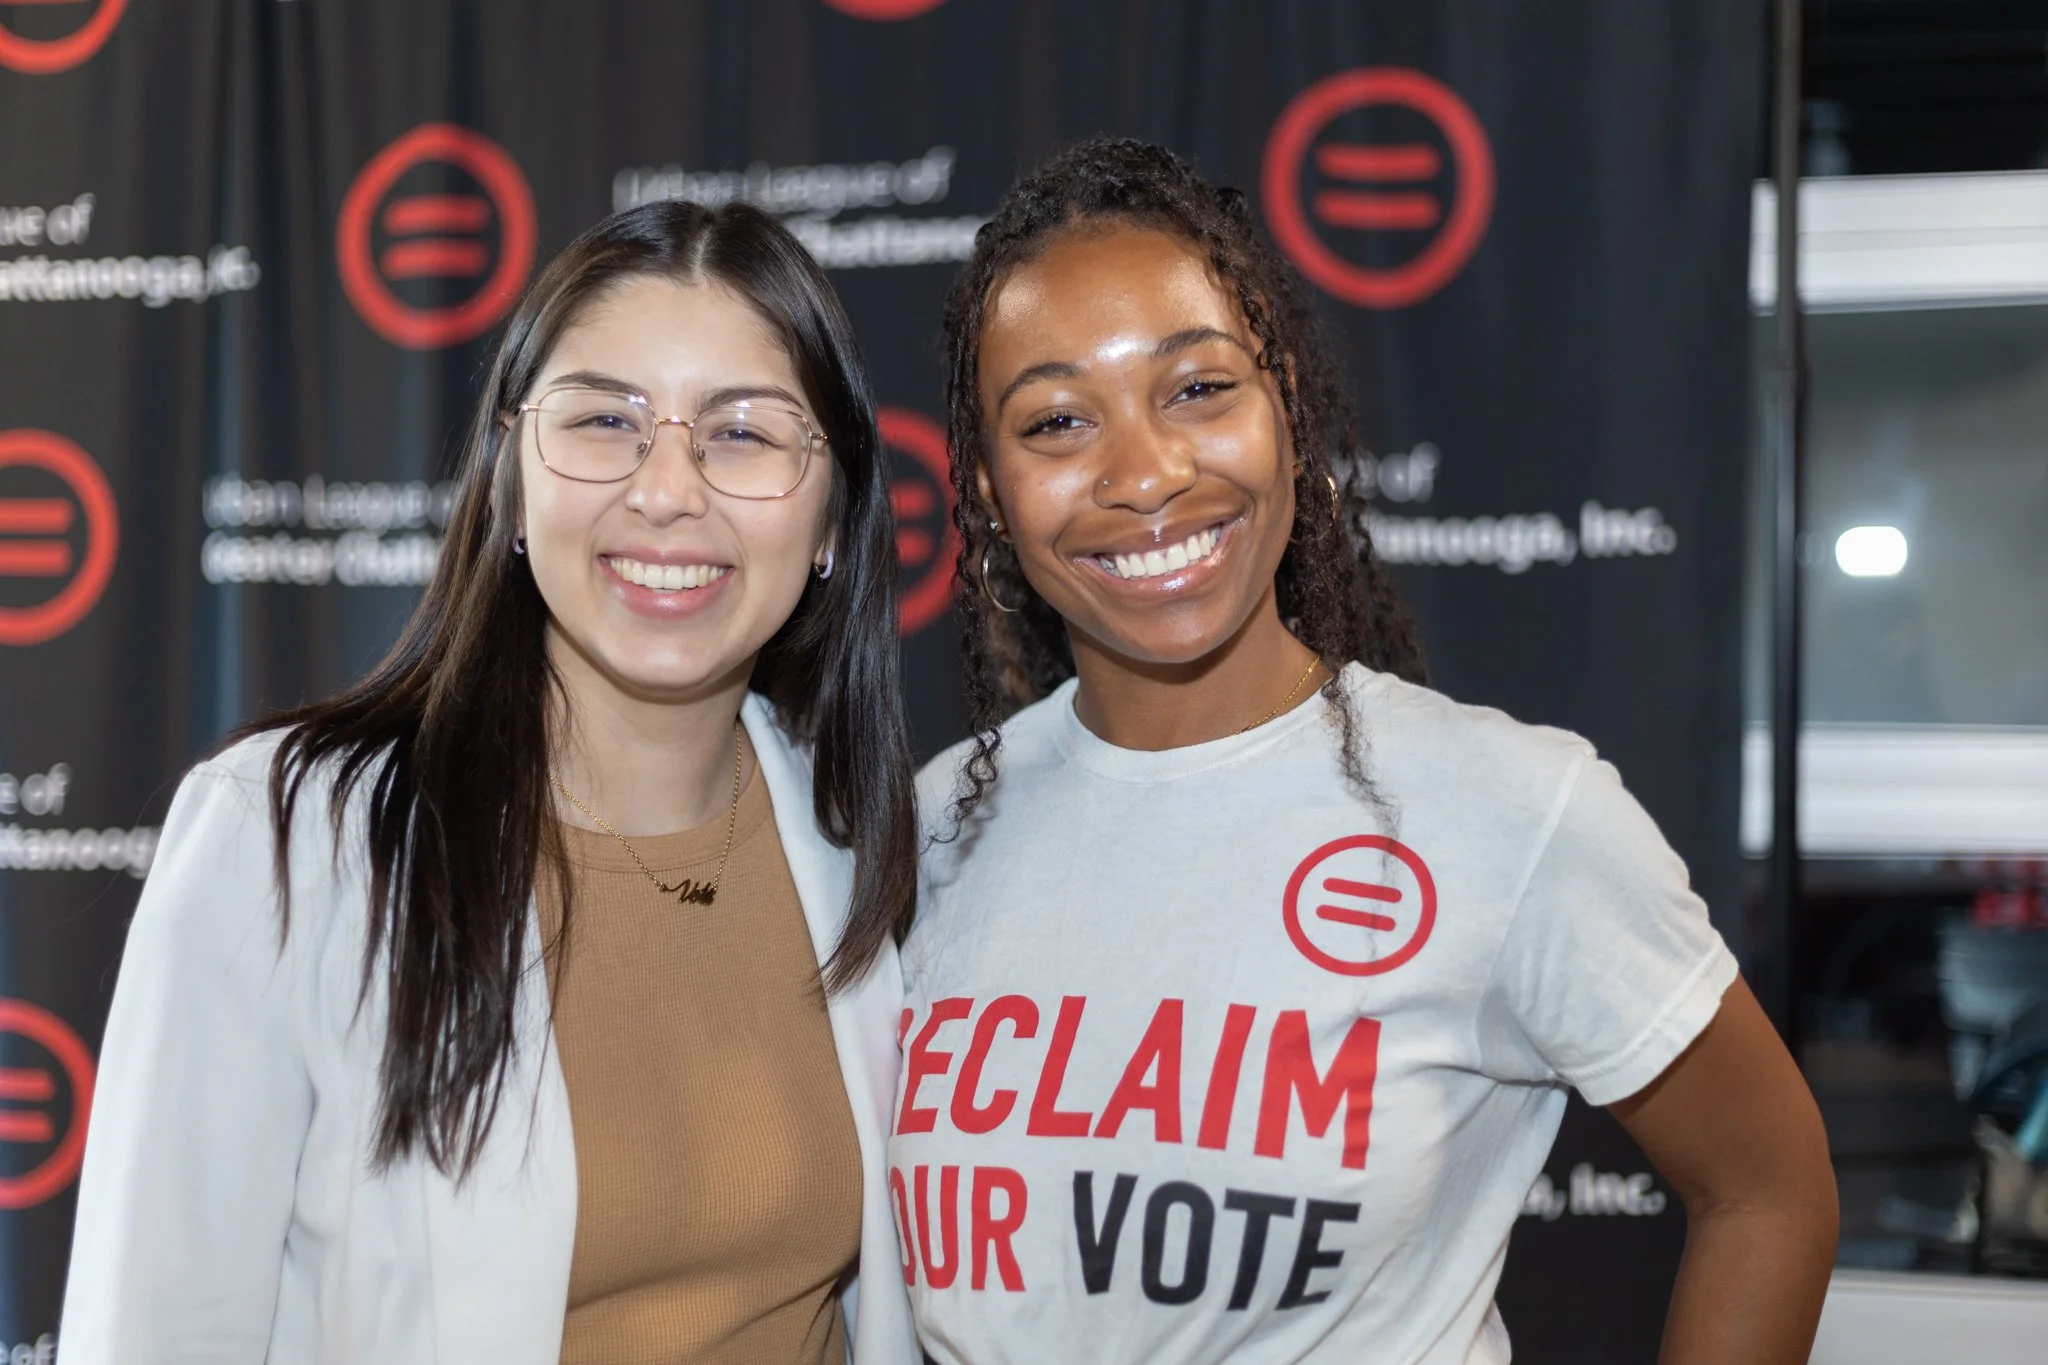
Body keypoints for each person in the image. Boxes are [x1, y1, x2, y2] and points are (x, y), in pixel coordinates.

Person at [890, 137, 1838, 1365]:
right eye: (1058, 421)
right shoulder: (936, 835)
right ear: (983, 489)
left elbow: (1769, 1194)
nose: (1144, 474)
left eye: (1196, 389)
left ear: (1283, 404)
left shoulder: (1507, 812)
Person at [61, 202, 922, 1364]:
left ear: (832, 516)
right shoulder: (286, 840)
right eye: (605, 421)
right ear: (513, 476)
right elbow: (155, 1336)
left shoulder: (861, 841)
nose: (667, 489)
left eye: (743, 434)